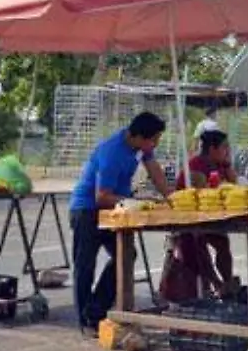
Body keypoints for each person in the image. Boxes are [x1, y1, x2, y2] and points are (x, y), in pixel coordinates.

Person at [69, 112, 172, 335]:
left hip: (114, 208)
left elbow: (155, 171)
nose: (155, 145)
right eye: (154, 140)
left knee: (126, 255)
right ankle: (85, 320)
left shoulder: (142, 148)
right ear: (140, 137)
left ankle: (96, 309)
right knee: (85, 265)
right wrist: (134, 202)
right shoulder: (112, 153)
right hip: (87, 210)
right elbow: (102, 196)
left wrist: (171, 198)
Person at [181, 130, 238, 295]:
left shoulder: (220, 165)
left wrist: (227, 164)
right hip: (189, 217)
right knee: (198, 241)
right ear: (212, 149)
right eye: (224, 147)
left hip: (212, 216)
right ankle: (216, 283)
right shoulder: (195, 166)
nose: (227, 151)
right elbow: (203, 192)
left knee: (223, 243)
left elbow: (234, 183)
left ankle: (228, 283)